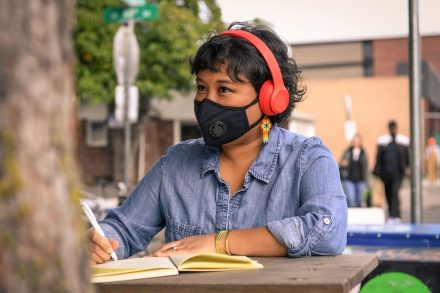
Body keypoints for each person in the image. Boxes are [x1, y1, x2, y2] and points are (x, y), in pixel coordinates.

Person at [88, 22, 347, 264]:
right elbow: (124, 227)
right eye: (201, 88)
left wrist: (218, 243)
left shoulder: (308, 158)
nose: (207, 101)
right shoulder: (175, 163)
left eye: (223, 89)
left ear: (270, 99)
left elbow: (329, 230)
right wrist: (102, 241)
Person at [373, 120, 409, 223]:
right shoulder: (383, 141)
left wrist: (408, 169)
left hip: (398, 173)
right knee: (388, 194)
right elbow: (379, 158)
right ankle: (391, 215)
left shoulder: (403, 141)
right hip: (386, 174)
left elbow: (407, 158)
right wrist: (377, 172)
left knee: (394, 193)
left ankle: (396, 215)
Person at [339, 133, 369, 207]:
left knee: (359, 199)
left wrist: (367, 180)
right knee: (350, 199)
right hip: (349, 179)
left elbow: (366, 167)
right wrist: (343, 164)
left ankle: (358, 216)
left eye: (356, 141)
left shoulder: (363, 153)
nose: (354, 142)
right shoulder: (347, 152)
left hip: (361, 180)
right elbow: (341, 163)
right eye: (353, 140)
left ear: (360, 142)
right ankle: (349, 215)